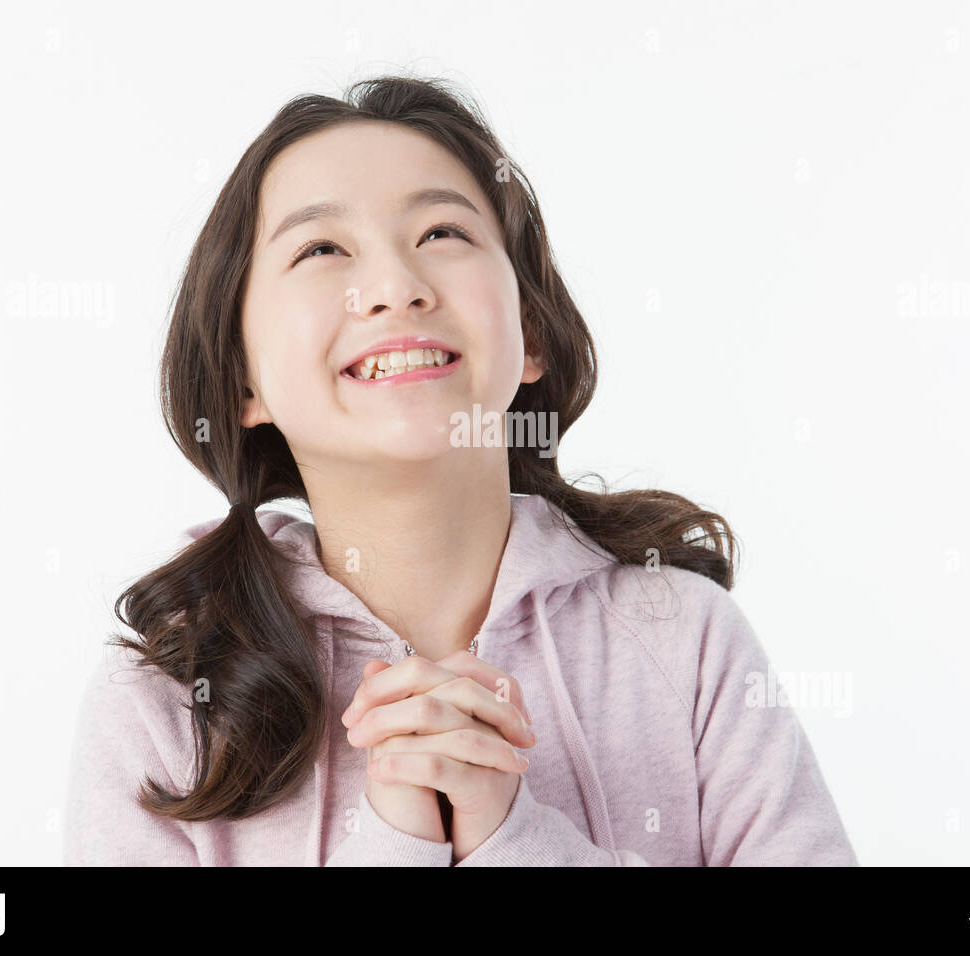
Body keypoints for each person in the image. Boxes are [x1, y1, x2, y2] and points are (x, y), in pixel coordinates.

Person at [63, 74, 858, 866]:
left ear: (531, 332)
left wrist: (517, 840)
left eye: (442, 234)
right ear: (243, 381)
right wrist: (394, 845)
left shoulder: (682, 637)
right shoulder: (162, 700)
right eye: (321, 249)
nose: (395, 289)